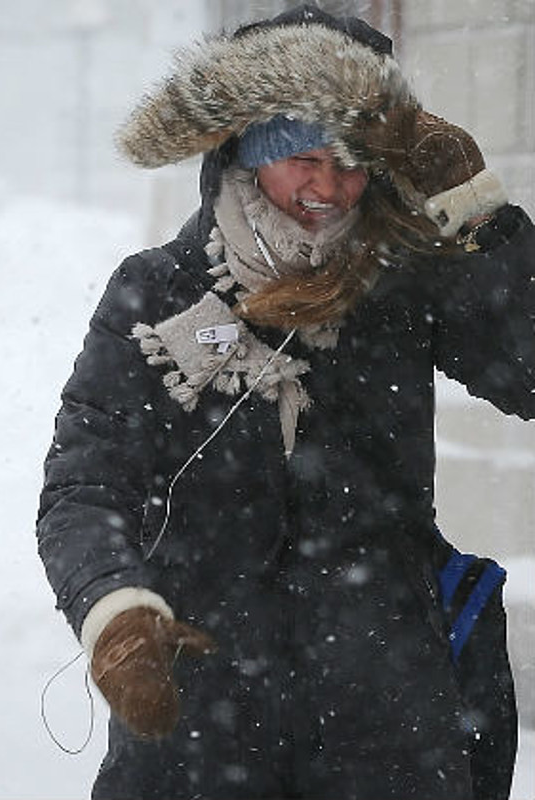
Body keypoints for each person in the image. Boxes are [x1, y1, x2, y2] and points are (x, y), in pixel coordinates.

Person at [35, 6, 527, 799]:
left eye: (353, 161)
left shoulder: (408, 284)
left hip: (386, 720)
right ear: (246, 151)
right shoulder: (158, 290)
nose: (329, 188)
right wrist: (117, 614)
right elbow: (86, 486)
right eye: (301, 158)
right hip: (202, 720)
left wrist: (479, 215)